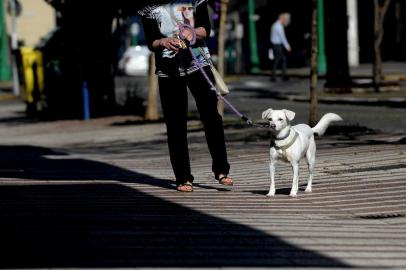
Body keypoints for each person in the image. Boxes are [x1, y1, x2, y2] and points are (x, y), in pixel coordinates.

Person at [139, 0, 233, 192]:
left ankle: (221, 169)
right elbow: (152, 41)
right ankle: (183, 177)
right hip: (168, 70)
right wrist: (164, 41)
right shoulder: (148, 7)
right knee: (175, 124)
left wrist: (192, 32)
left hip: (198, 62)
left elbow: (206, 29)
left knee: (211, 116)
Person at [270, 13, 291, 81]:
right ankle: (279, 76)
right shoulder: (278, 26)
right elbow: (282, 37)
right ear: (281, 18)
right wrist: (287, 46)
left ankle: (278, 76)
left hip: (275, 45)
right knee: (280, 60)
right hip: (277, 45)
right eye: (284, 19)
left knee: (279, 60)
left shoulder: (275, 25)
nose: (285, 21)